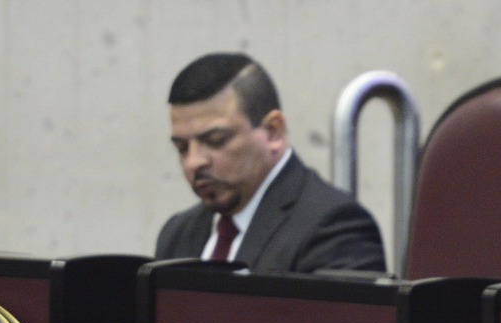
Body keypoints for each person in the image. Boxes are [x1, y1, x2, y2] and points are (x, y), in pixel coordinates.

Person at [156, 53, 386, 274]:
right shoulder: (177, 234)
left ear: (273, 131)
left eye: (215, 141)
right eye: (182, 148)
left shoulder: (334, 228)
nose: (193, 162)